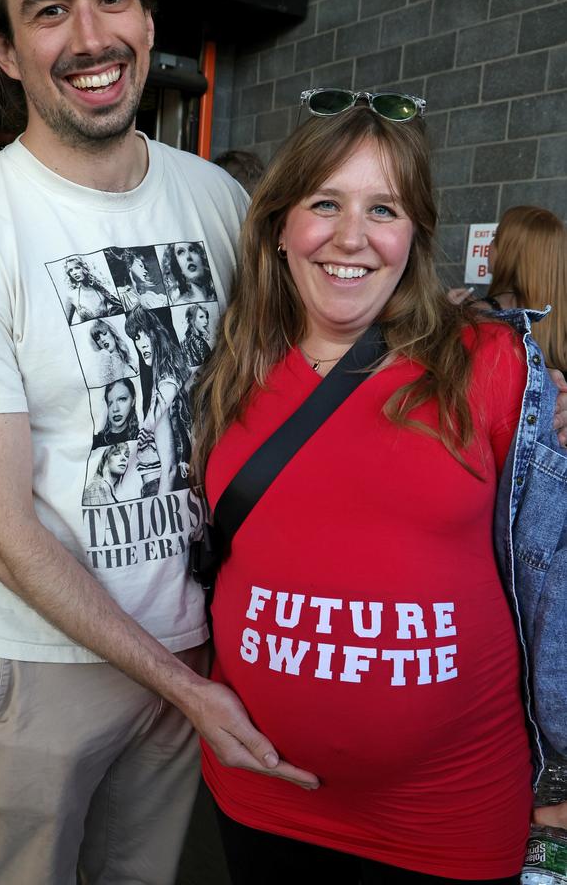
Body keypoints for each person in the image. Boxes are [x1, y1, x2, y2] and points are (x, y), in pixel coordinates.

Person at [0, 0, 304, 885]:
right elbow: (0, 526)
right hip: (45, 664)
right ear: (5, 51)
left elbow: (294, 390)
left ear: (147, 24)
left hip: (191, 635)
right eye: (49, 11)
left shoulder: (215, 201)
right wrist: (182, 678)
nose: (90, 36)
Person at [191, 97, 567, 884]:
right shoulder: (231, 368)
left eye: (383, 208)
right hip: (264, 796)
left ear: (415, 235)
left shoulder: (490, 365)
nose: (351, 236)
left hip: (452, 812)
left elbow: (554, 572)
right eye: (324, 203)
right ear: (281, 226)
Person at [448, 206, 567, 374]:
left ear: (510, 252)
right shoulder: (560, 322)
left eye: (496, 237)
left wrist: (445, 318)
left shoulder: (476, 316)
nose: (489, 245)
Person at [125, 305, 192, 494]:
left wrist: (160, 512)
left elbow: (169, 470)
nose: (142, 344)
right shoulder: (165, 378)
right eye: (137, 338)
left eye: (146, 334)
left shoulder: (166, 383)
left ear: (158, 333)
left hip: (162, 489)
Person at [63, 254, 121, 323]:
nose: (74, 273)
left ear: (84, 268)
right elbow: (67, 324)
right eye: (70, 270)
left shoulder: (100, 290)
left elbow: (119, 305)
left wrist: (111, 313)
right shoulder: (72, 296)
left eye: (77, 268)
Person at [92, 377, 139, 447]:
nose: (115, 409)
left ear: (133, 400)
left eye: (122, 399)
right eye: (110, 403)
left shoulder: (141, 438)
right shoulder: (95, 442)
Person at [88, 318, 138, 382]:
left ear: (112, 333)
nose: (102, 339)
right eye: (97, 338)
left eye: (104, 334)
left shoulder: (126, 358)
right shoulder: (105, 360)